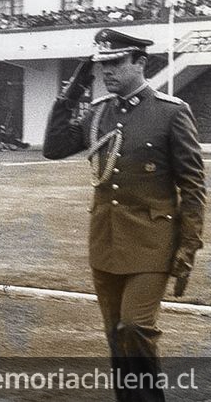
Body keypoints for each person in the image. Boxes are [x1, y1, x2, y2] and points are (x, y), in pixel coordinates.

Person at [43, 28, 206, 402]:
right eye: (101, 65)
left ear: (140, 62)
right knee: (116, 337)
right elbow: (53, 148)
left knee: (135, 327)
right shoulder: (98, 112)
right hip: (105, 242)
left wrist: (187, 249)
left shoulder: (170, 113)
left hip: (152, 243)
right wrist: (75, 87)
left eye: (116, 63)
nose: (107, 72)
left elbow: (193, 188)